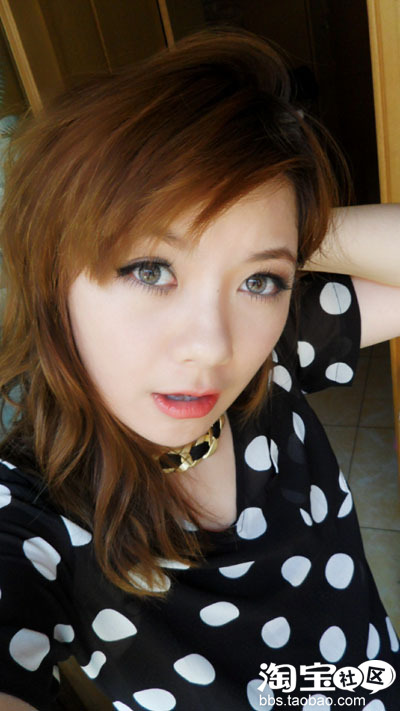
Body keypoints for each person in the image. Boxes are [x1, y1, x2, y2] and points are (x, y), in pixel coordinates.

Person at [0, 28, 399, 711]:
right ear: (54, 270)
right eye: (150, 269)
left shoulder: (274, 360)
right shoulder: (32, 517)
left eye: (259, 282)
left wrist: (281, 232)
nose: (213, 346)